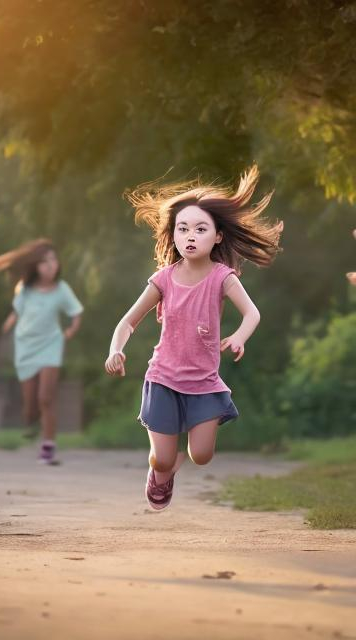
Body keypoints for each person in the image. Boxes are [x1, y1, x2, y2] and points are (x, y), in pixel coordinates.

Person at [105, 166, 283, 510]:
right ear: (172, 235)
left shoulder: (222, 277)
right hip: (163, 379)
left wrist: (239, 337)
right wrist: (116, 349)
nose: (190, 235)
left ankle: (174, 464)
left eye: (200, 229)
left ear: (217, 236)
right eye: (182, 228)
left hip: (203, 381)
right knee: (161, 460)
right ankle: (162, 473)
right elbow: (129, 321)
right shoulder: (164, 279)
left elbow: (252, 313)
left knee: (201, 455)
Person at [0, 239, 83, 464]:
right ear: (34, 267)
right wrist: (6, 326)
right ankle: (31, 422)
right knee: (31, 405)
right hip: (25, 347)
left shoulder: (62, 289)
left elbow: (76, 313)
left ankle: (48, 446)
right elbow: (16, 312)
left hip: (51, 345)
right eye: (43, 262)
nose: (50, 265)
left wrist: (68, 333)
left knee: (46, 398)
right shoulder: (25, 289)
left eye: (53, 260)